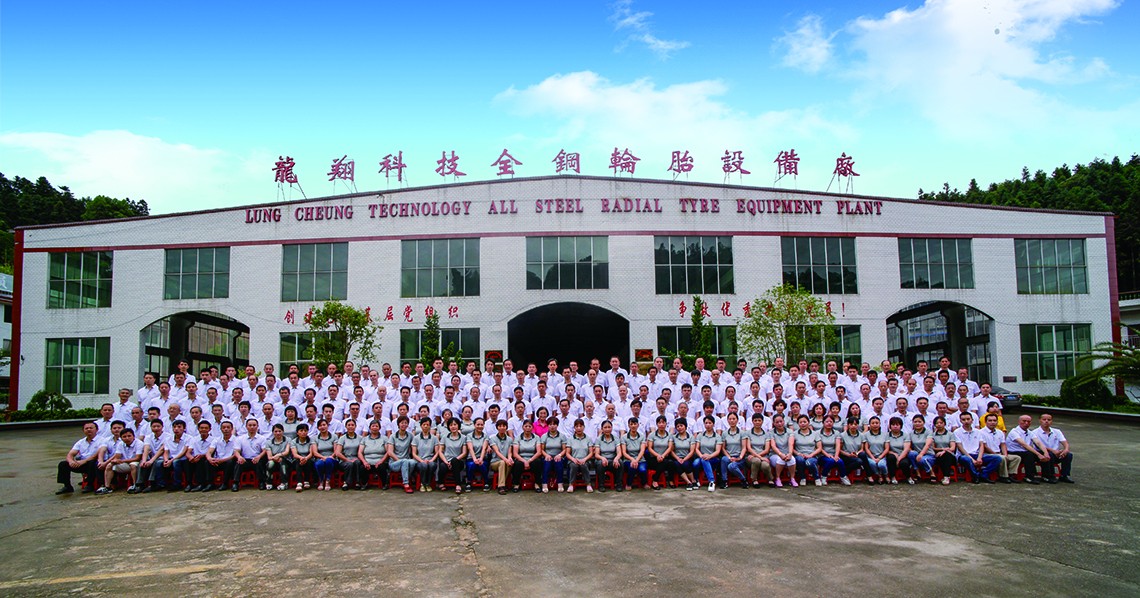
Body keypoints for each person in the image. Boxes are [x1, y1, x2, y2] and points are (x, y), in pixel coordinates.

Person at [954, 412, 1001, 484]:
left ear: (972, 420)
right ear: (960, 421)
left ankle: (984, 474)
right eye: (963, 420)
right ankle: (975, 476)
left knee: (997, 458)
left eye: (968, 419)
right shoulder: (957, 432)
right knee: (967, 459)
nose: (966, 421)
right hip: (964, 455)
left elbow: (981, 445)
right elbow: (960, 447)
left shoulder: (978, 431)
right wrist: (972, 459)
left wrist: (979, 457)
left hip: (976, 454)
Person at [95, 428, 142, 495]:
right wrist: (115, 461)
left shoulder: (139, 443)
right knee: (109, 465)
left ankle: (135, 485)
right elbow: (117, 456)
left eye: (129, 436)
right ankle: (107, 487)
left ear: (133, 436)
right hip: (125, 463)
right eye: (124, 437)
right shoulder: (120, 444)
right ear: (121, 438)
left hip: (137, 462)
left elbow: (138, 458)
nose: (127, 438)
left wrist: (122, 461)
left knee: (133, 465)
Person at [1031, 413, 1075, 483]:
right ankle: (1048, 476)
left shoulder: (1057, 431)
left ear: (1051, 421)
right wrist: (1052, 450)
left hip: (1056, 454)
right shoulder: (1034, 432)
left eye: (1049, 420)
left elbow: (1064, 442)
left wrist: (1066, 449)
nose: (1046, 421)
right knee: (1049, 454)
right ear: (1040, 420)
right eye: (1044, 419)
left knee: (1068, 455)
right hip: (1041, 454)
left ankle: (1064, 475)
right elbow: (1038, 445)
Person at [980, 413, 1019, 484]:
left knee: (1016, 458)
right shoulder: (981, 432)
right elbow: (984, 446)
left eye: (994, 420)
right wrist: (996, 454)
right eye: (990, 420)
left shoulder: (1000, 432)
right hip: (987, 454)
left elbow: (1003, 444)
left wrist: (1005, 454)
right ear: (986, 422)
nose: (992, 422)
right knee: (1001, 458)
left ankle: (1011, 474)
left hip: (999, 453)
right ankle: (1003, 476)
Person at [1005, 414, 1045, 484]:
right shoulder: (1014, 432)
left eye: (1028, 421)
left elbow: (1038, 442)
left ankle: (1047, 475)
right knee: (1029, 454)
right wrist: (1038, 454)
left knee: (1045, 454)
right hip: (1013, 451)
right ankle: (1029, 476)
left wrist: (1045, 453)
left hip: (1024, 452)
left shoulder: (1029, 432)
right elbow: (1024, 444)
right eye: (1024, 421)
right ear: (1019, 422)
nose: (1026, 423)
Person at [233, 418, 268, 491]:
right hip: (245, 460)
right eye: (250, 425)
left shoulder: (262, 438)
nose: (252, 427)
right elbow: (236, 451)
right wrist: (239, 457)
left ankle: (261, 482)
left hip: (256, 459)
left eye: (254, 425)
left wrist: (259, 456)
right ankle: (235, 483)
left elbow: (264, 450)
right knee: (238, 463)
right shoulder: (240, 438)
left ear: (257, 426)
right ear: (246, 426)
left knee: (260, 463)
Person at [386, 416, 417, 493]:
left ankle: (407, 476)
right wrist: (400, 461)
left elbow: (413, 447)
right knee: (405, 462)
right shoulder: (393, 436)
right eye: (402, 423)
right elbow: (390, 452)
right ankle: (406, 484)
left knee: (413, 462)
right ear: (398, 424)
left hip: (406, 460)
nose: (404, 424)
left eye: (406, 423)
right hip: (394, 462)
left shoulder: (410, 436)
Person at [439, 417, 470, 494]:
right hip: (447, 461)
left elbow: (464, 453)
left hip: (459, 461)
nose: (453, 427)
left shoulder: (463, 437)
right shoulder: (444, 437)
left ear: (458, 425)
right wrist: (446, 462)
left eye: (455, 424)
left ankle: (458, 485)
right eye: (451, 425)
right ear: (448, 427)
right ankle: (441, 483)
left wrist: (454, 460)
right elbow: (440, 451)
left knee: (454, 461)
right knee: (442, 466)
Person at [693, 415, 724, 492]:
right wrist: (701, 456)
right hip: (702, 457)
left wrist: (709, 456)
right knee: (695, 463)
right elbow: (696, 448)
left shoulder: (717, 436)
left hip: (713, 459)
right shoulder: (700, 435)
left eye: (710, 423)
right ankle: (696, 479)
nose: (708, 425)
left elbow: (718, 451)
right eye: (706, 423)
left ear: (713, 424)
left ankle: (711, 481)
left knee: (705, 460)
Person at [510, 419, 542, 493]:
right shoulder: (518, 438)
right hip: (521, 458)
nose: (527, 428)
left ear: (532, 428)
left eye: (529, 426)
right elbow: (515, 454)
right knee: (517, 464)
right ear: (522, 427)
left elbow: (539, 452)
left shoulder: (536, 438)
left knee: (538, 462)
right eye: (526, 426)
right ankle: (516, 484)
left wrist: (529, 460)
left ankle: (537, 484)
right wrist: (524, 461)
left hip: (532, 458)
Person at [565, 419, 595, 493]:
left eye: (580, 426)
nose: (579, 428)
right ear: (574, 428)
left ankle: (588, 484)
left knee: (583, 465)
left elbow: (591, 453)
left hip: (585, 460)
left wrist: (584, 459)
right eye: (577, 426)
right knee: (574, 466)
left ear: (584, 427)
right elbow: (567, 453)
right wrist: (573, 459)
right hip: (573, 460)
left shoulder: (588, 438)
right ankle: (571, 484)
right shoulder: (570, 439)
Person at [334, 418, 365, 490]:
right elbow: (337, 453)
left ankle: (357, 482)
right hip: (344, 460)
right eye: (349, 425)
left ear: (355, 426)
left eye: (352, 425)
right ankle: (346, 483)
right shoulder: (342, 438)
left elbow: (362, 451)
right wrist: (347, 460)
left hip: (356, 459)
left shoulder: (360, 438)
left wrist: (357, 459)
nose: (351, 426)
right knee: (349, 464)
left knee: (357, 463)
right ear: (346, 426)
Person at [791, 414, 821, 487]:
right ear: (798, 424)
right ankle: (802, 478)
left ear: (808, 422)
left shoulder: (815, 433)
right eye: (800, 422)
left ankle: (816, 477)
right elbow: (791, 447)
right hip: (799, 455)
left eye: (804, 422)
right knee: (800, 460)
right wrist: (798, 453)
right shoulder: (794, 434)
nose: (803, 424)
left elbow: (819, 448)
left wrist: (811, 455)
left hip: (812, 455)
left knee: (809, 463)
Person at [817, 415, 848, 486]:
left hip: (833, 455)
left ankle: (843, 477)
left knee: (840, 461)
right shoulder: (818, 433)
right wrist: (827, 455)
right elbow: (819, 447)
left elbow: (838, 445)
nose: (829, 423)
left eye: (831, 422)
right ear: (823, 422)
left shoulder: (836, 433)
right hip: (822, 455)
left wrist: (836, 455)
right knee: (830, 461)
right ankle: (824, 476)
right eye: (827, 421)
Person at [719, 412, 748, 489]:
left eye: (734, 419)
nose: (732, 421)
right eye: (730, 419)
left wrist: (739, 457)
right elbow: (723, 448)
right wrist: (729, 457)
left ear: (737, 420)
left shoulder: (742, 433)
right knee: (724, 459)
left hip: (739, 457)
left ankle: (743, 480)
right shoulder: (724, 433)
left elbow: (744, 447)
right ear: (727, 420)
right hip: (729, 456)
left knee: (731, 466)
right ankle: (724, 480)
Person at [645, 415, 674, 490]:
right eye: (659, 423)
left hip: (665, 457)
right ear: (657, 424)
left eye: (663, 422)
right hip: (653, 458)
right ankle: (655, 480)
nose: (661, 424)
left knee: (670, 463)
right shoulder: (652, 435)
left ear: (666, 424)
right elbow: (649, 448)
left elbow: (670, 447)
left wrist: (663, 456)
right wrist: (658, 456)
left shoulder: (669, 435)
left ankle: (670, 480)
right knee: (664, 462)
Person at [538, 417, 567, 493]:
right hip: (547, 456)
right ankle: (544, 484)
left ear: (557, 425)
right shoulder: (544, 436)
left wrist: (559, 455)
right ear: (548, 425)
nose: (552, 426)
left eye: (554, 424)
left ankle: (560, 483)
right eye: (550, 424)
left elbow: (564, 449)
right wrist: (546, 455)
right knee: (547, 464)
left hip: (559, 456)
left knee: (559, 463)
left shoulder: (562, 436)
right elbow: (542, 449)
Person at [767, 414, 796, 488]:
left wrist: (790, 453)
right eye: (777, 422)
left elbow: (791, 443)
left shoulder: (789, 431)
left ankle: (792, 478)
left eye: (781, 421)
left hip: (787, 453)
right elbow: (773, 446)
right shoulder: (771, 432)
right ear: (774, 423)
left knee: (792, 459)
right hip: (775, 454)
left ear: (784, 421)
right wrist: (780, 454)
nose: (779, 424)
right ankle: (777, 478)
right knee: (780, 460)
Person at [745, 413, 773, 487]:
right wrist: (759, 457)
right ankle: (754, 480)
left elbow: (767, 449)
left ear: (762, 422)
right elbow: (749, 448)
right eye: (755, 420)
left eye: (759, 420)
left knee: (765, 465)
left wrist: (759, 456)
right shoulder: (748, 433)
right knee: (756, 461)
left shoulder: (767, 434)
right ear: (752, 421)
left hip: (763, 455)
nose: (757, 422)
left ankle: (770, 479)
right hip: (751, 456)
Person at [412, 418, 439, 492]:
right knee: (423, 465)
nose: (426, 426)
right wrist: (421, 461)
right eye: (424, 424)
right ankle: (423, 484)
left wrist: (431, 460)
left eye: (427, 425)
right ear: (421, 426)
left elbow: (437, 452)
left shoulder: (434, 438)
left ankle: (428, 484)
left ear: (430, 426)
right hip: (419, 461)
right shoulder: (416, 438)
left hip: (430, 460)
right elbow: (414, 453)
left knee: (432, 465)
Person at [487, 419, 514, 494]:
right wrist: (506, 460)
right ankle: (501, 486)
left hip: (506, 461)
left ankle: (502, 483)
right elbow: (497, 451)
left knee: (510, 463)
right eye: (500, 426)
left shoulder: (509, 439)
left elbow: (509, 452)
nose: (502, 428)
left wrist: (510, 458)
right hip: (495, 462)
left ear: (506, 427)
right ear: (497, 427)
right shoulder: (493, 439)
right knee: (502, 462)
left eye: (504, 426)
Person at [929, 416, 959, 485]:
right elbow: (933, 448)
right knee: (942, 456)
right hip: (938, 455)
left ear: (944, 424)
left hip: (950, 455)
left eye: (941, 423)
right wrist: (942, 449)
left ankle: (946, 476)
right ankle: (947, 476)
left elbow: (952, 448)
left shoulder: (950, 434)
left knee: (946, 455)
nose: (939, 424)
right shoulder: (932, 435)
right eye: (937, 423)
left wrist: (944, 451)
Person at [263, 424, 293, 490]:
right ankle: (269, 482)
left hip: (286, 461)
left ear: (283, 431)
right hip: (274, 460)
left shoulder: (288, 440)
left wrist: (278, 455)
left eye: (279, 431)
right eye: (276, 431)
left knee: (282, 461)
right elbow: (269, 457)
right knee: (270, 463)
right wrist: (275, 458)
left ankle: (284, 482)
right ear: (273, 432)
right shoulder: (268, 442)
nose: (278, 433)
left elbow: (287, 452)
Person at [593, 420, 622, 492]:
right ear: (602, 429)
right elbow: (596, 454)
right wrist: (602, 458)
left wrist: (616, 458)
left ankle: (618, 484)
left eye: (609, 427)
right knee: (600, 464)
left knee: (620, 462)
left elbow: (619, 452)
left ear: (612, 428)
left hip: (612, 460)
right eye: (605, 427)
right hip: (602, 460)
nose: (607, 429)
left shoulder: (616, 438)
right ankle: (601, 485)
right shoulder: (598, 439)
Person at [884, 416, 913, 485]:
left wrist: (899, 459)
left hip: (903, 454)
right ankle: (893, 477)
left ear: (901, 426)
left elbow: (906, 449)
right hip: (891, 454)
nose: (895, 426)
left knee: (904, 463)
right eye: (893, 424)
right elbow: (886, 449)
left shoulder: (905, 435)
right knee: (891, 458)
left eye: (897, 425)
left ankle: (908, 477)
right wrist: (894, 454)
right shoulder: (886, 435)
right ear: (890, 426)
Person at [312, 419, 339, 491]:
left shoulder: (334, 436)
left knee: (328, 461)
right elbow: (315, 452)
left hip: (332, 458)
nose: (322, 427)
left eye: (324, 425)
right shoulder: (314, 438)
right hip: (320, 458)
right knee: (319, 464)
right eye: (320, 425)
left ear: (327, 426)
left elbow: (336, 451)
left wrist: (330, 457)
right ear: (318, 428)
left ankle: (327, 481)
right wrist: (323, 457)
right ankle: (321, 481)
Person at [671, 419, 698, 491]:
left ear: (685, 426)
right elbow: (671, 450)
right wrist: (678, 458)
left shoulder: (691, 437)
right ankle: (689, 482)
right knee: (676, 464)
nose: (679, 428)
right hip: (677, 458)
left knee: (685, 464)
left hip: (688, 457)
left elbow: (692, 451)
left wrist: (684, 459)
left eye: (681, 425)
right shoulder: (674, 437)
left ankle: (693, 480)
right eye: (678, 426)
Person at [862, 416, 890, 485]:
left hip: (881, 456)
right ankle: (879, 476)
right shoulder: (866, 435)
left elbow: (887, 448)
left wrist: (880, 457)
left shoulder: (885, 434)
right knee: (872, 463)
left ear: (880, 424)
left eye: (877, 423)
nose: (875, 425)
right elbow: (866, 448)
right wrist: (873, 458)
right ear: (869, 425)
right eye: (873, 423)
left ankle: (886, 475)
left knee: (881, 465)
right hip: (870, 456)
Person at [837, 416, 865, 484]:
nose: (853, 426)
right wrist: (848, 454)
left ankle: (843, 474)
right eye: (851, 424)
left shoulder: (861, 435)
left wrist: (857, 453)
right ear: (848, 425)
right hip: (845, 455)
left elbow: (862, 449)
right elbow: (839, 449)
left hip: (856, 455)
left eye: (855, 424)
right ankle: (844, 475)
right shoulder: (842, 435)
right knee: (859, 461)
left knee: (861, 458)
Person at [291, 423, 316, 492]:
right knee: (298, 462)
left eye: (305, 431)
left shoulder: (311, 440)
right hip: (298, 459)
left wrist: (306, 458)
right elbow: (295, 454)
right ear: (297, 432)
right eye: (301, 431)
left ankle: (306, 481)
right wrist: (301, 458)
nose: (303, 432)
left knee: (308, 462)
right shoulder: (293, 441)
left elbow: (311, 453)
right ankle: (299, 482)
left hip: (308, 458)